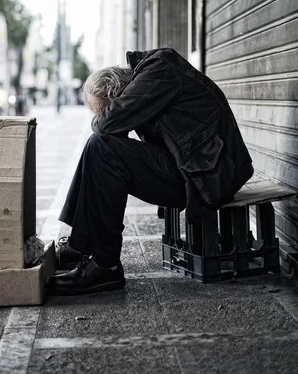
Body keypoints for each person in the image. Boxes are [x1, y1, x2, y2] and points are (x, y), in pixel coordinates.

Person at [50, 48, 254, 296]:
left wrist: (104, 120)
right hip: (198, 167)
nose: (103, 116)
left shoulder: (160, 68)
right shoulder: (153, 78)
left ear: (118, 96)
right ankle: (81, 245)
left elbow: (106, 125)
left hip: (209, 177)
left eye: (104, 109)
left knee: (101, 145)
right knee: (100, 146)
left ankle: (106, 265)